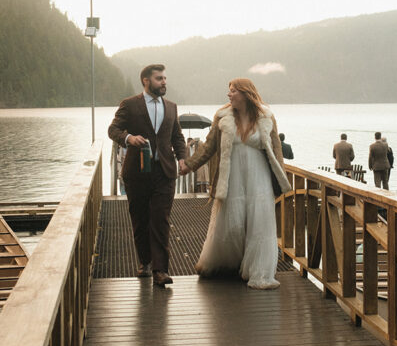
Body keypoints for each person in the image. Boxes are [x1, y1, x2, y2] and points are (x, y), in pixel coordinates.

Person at [180, 78, 289, 289]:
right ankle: (228, 263)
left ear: (245, 94)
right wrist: (189, 165)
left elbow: (276, 151)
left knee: (259, 224)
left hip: (260, 178)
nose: (229, 95)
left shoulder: (266, 117)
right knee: (232, 222)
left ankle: (258, 272)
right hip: (232, 177)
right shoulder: (222, 117)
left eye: (233, 91)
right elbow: (209, 147)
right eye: (229, 91)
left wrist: (281, 180)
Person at [108, 64, 187, 287]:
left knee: (160, 220)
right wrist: (129, 138)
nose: (164, 82)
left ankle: (160, 270)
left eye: (164, 78)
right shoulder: (130, 104)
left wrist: (182, 158)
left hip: (164, 173)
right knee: (140, 220)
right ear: (146, 81)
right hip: (136, 172)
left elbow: (177, 136)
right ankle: (144, 262)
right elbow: (113, 129)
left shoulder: (171, 107)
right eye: (159, 78)